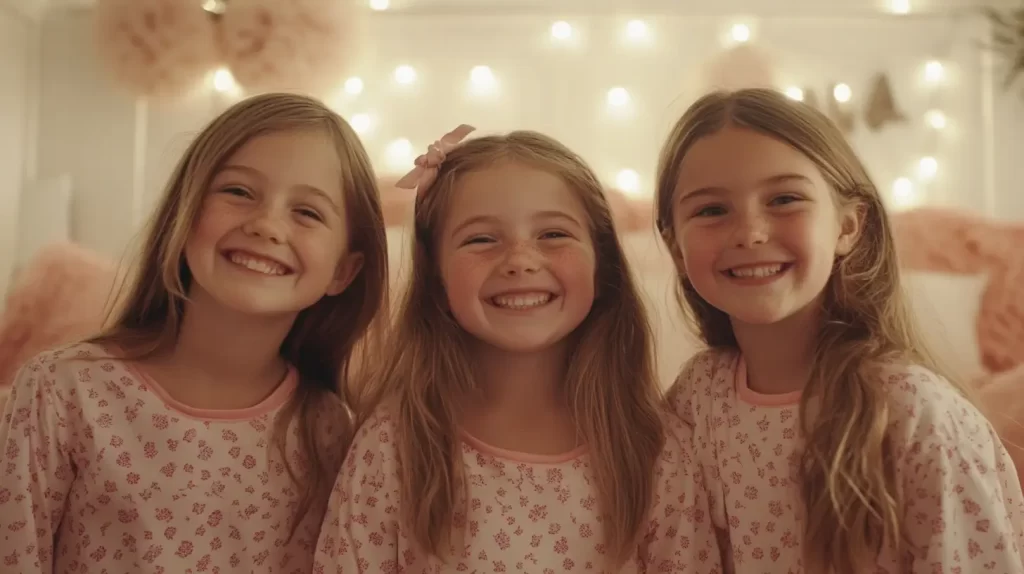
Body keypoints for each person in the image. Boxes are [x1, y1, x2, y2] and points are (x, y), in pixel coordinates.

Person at [0, 92, 389, 573]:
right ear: (183, 217)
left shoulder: (331, 430)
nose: (267, 225)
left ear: (343, 272)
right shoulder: (61, 391)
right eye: (239, 192)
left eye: (307, 212)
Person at [313, 127, 722, 573]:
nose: (521, 259)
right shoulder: (396, 445)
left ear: (600, 262)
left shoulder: (654, 449)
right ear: (437, 278)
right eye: (481, 239)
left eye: (553, 235)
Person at [655, 87, 1024, 573]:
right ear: (676, 247)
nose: (750, 232)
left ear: (848, 226)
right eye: (711, 210)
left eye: (784, 199)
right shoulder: (697, 398)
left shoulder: (914, 414)